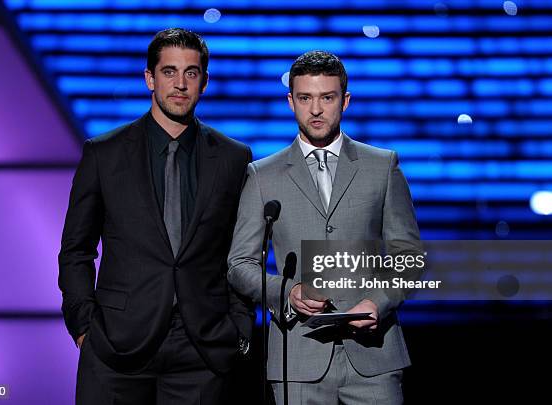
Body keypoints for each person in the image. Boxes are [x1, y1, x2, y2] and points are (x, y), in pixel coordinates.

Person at [59, 28, 253, 405]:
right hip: (117, 345)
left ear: (205, 81)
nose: (180, 84)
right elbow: (76, 248)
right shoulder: (105, 154)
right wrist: (84, 326)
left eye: (191, 73)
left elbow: (242, 251)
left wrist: (239, 328)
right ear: (149, 78)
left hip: (202, 347)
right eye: (169, 72)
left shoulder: (233, 158)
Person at [227, 50, 421, 404]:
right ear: (291, 101)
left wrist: (378, 302)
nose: (316, 109)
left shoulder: (382, 166)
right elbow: (240, 266)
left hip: (374, 358)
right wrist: (287, 292)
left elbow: (409, 258)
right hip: (298, 359)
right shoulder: (262, 176)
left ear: (345, 101)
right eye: (305, 98)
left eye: (327, 97)